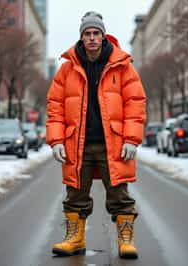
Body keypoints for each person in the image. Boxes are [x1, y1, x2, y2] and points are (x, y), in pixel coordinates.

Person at [46, 11, 146, 259]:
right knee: (75, 194)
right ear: (81, 37)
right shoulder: (67, 69)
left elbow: (135, 103)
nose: (92, 38)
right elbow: (55, 106)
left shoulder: (122, 66)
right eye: (87, 33)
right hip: (76, 143)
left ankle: (125, 240)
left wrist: (132, 139)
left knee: (119, 195)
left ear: (103, 36)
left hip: (112, 143)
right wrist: (56, 140)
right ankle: (74, 238)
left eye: (96, 33)